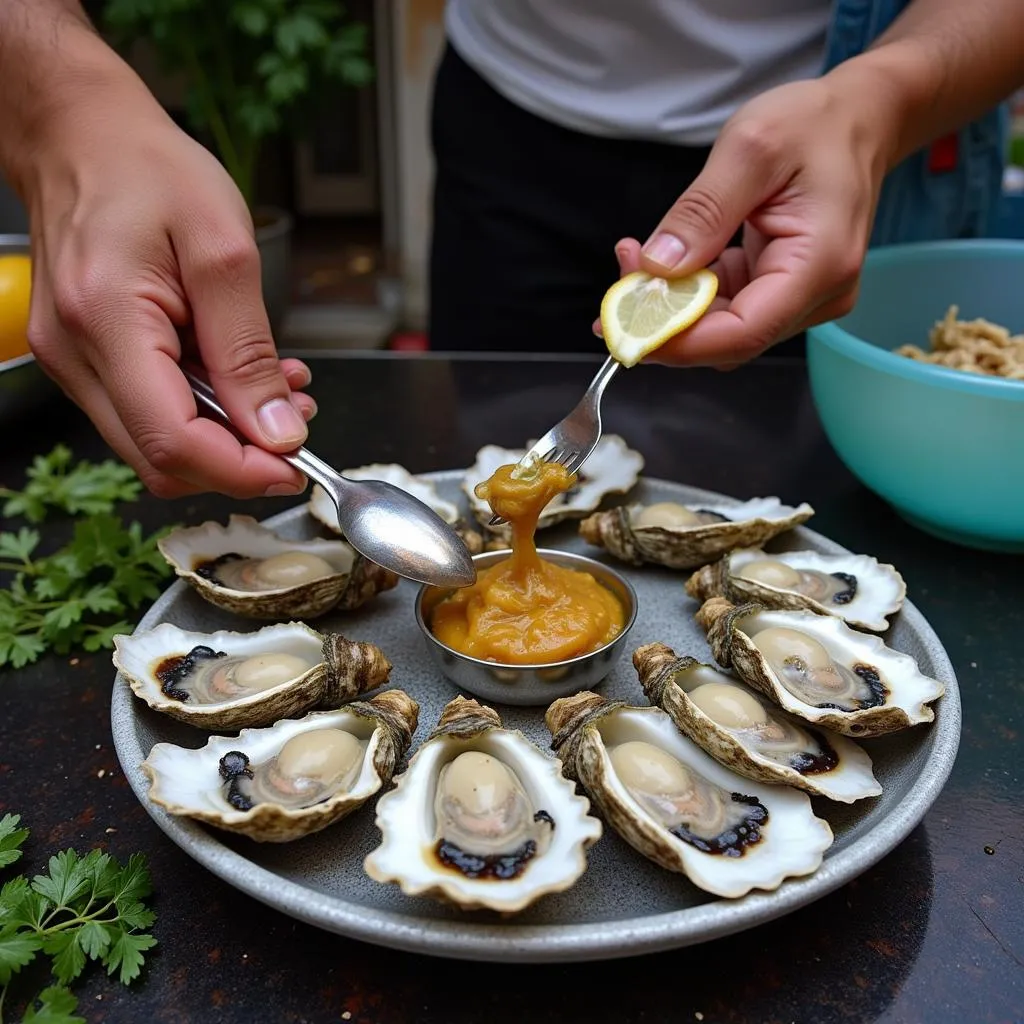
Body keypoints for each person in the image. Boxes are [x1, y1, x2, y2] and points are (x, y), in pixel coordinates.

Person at [0, 0, 1021, 501]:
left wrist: (888, 93)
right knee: (480, 446)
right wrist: (61, 99)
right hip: (508, 132)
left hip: (853, 142)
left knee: (829, 515)